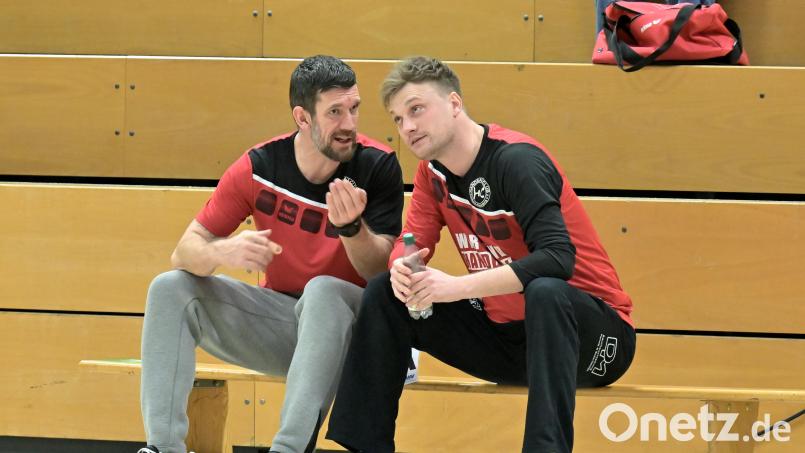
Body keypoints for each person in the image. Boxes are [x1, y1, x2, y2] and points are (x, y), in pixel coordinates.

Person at [325, 56, 636, 453]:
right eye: (398, 119)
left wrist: (454, 287)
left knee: (545, 290)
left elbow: (558, 258)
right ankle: (364, 446)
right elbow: (410, 244)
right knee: (386, 292)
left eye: (416, 109)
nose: (408, 127)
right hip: (508, 345)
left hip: (594, 342)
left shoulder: (517, 160)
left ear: (454, 104)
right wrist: (403, 270)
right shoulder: (430, 173)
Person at [138, 55, 404, 453]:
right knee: (170, 287)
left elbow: (380, 275)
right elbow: (184, 252)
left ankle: (289, 449)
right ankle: (162, 447)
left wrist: (351, 228)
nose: (349, 123)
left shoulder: (377, 166)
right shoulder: (259, 167)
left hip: (357, 332)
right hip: (287, 328)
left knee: (323, 291)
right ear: (302, 117)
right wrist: (223, 250)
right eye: (334, 112)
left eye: (354, 108)